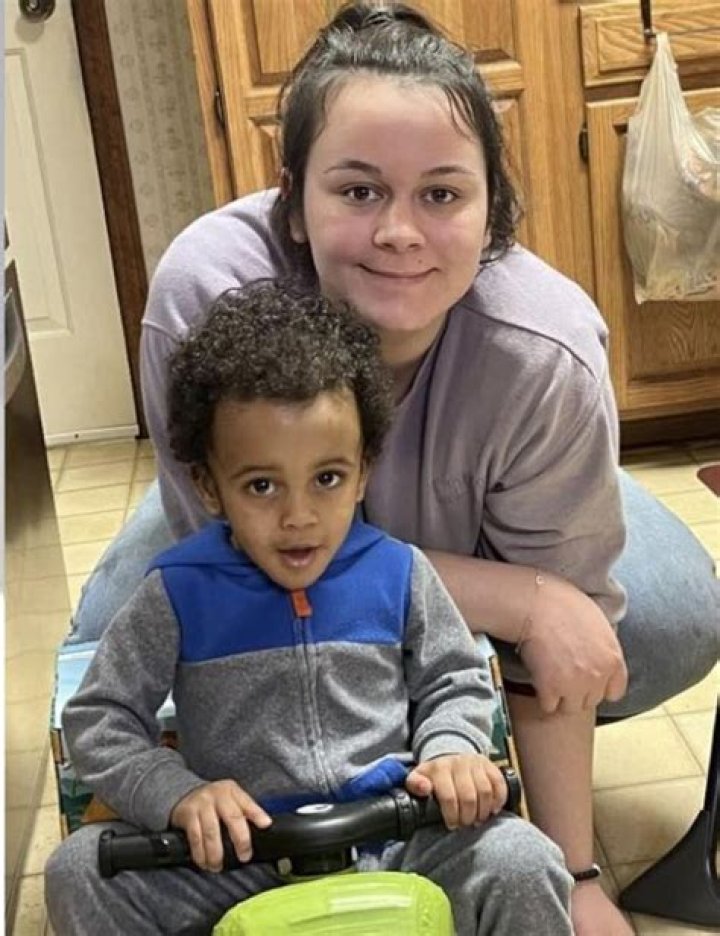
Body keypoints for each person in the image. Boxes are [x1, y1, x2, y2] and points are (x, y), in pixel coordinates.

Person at [66, 4, 719, 934]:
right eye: (359, 190)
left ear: (494, 209)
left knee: (657, 622)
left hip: (465, 543)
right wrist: (518, 599)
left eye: (442, 194)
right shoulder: (205, 296)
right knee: (116, 643)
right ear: (294, 200)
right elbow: (225, 576)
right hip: (240, 543)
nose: (400, 232)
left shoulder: (543, 348)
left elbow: (485, 673)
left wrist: (573, 871)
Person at [45, 282, 573, 936]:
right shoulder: (176, 592)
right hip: (239, 857)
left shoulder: (400, 572)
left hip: (395, 839)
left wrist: (452, 749)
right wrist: (177, 794)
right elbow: (99, 719)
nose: (298, 516)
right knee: (79, 870)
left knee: (524, 861)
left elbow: (454, 679)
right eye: (262, 485)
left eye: (327, 478)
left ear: (363, 471)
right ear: (209, 486)